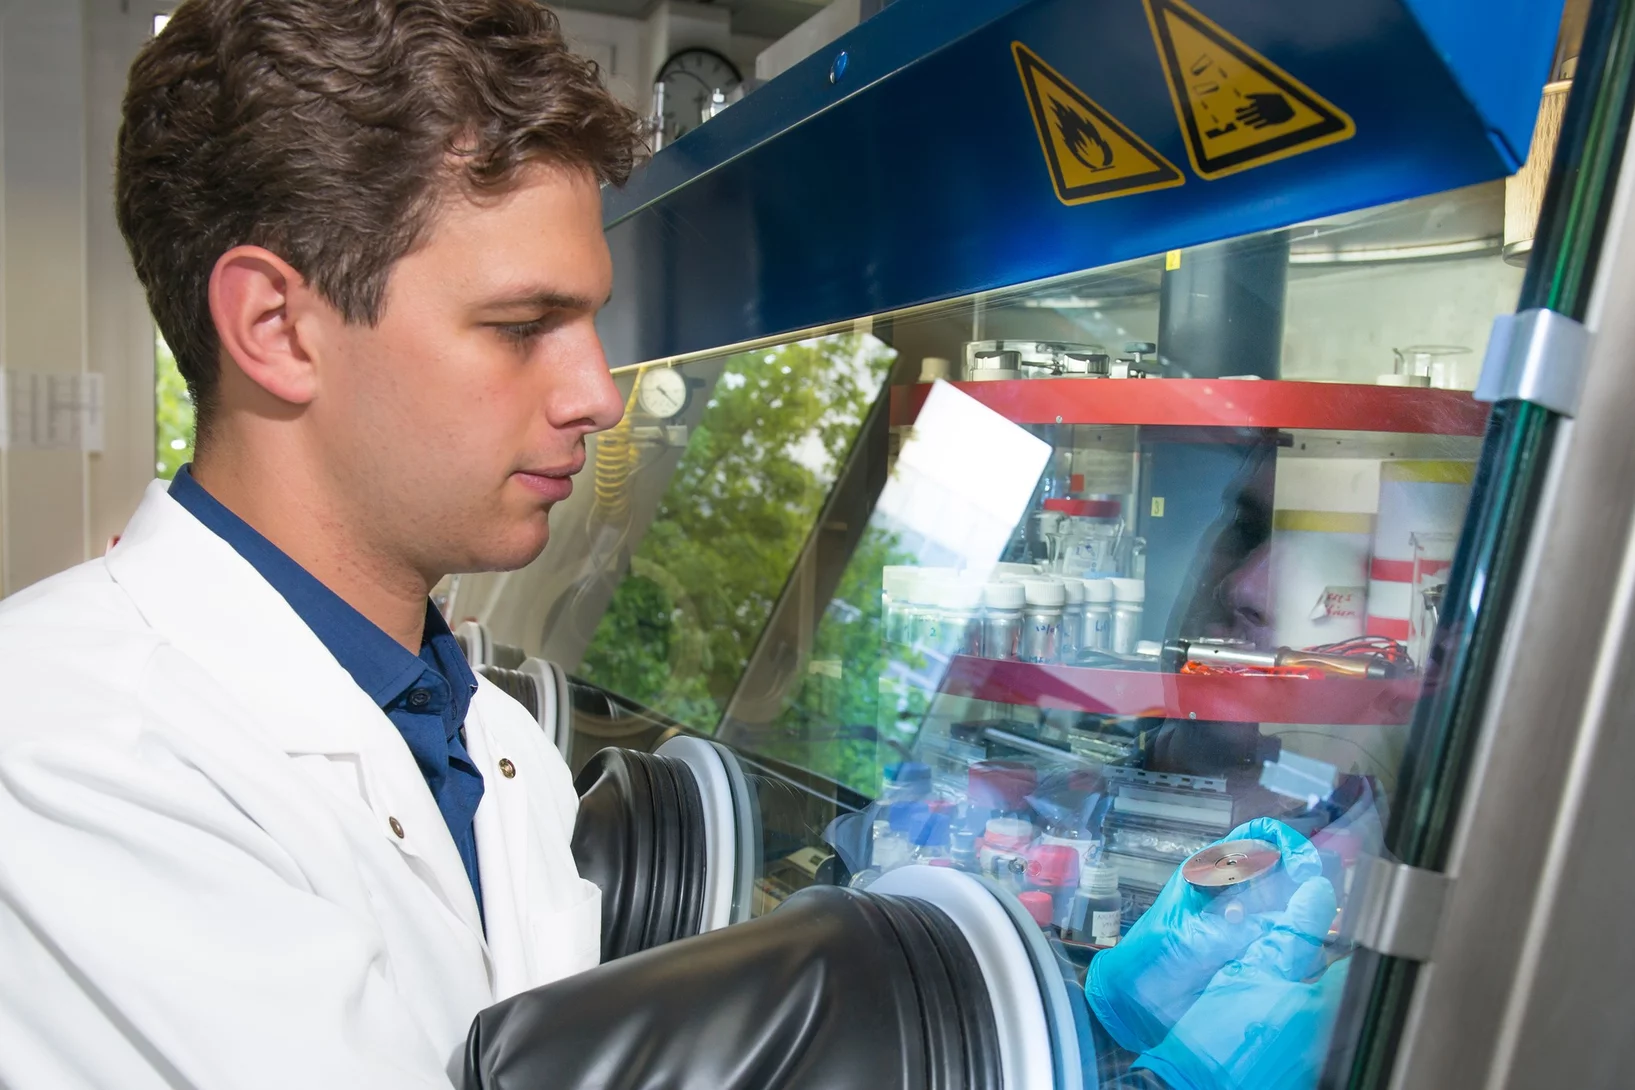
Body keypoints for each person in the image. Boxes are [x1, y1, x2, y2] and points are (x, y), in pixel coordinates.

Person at [0, 1, 640, 1085]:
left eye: (590, 324)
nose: (598, 396)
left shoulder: (488, 741)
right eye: (522, 325)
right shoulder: (62, 749)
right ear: (276, 329)